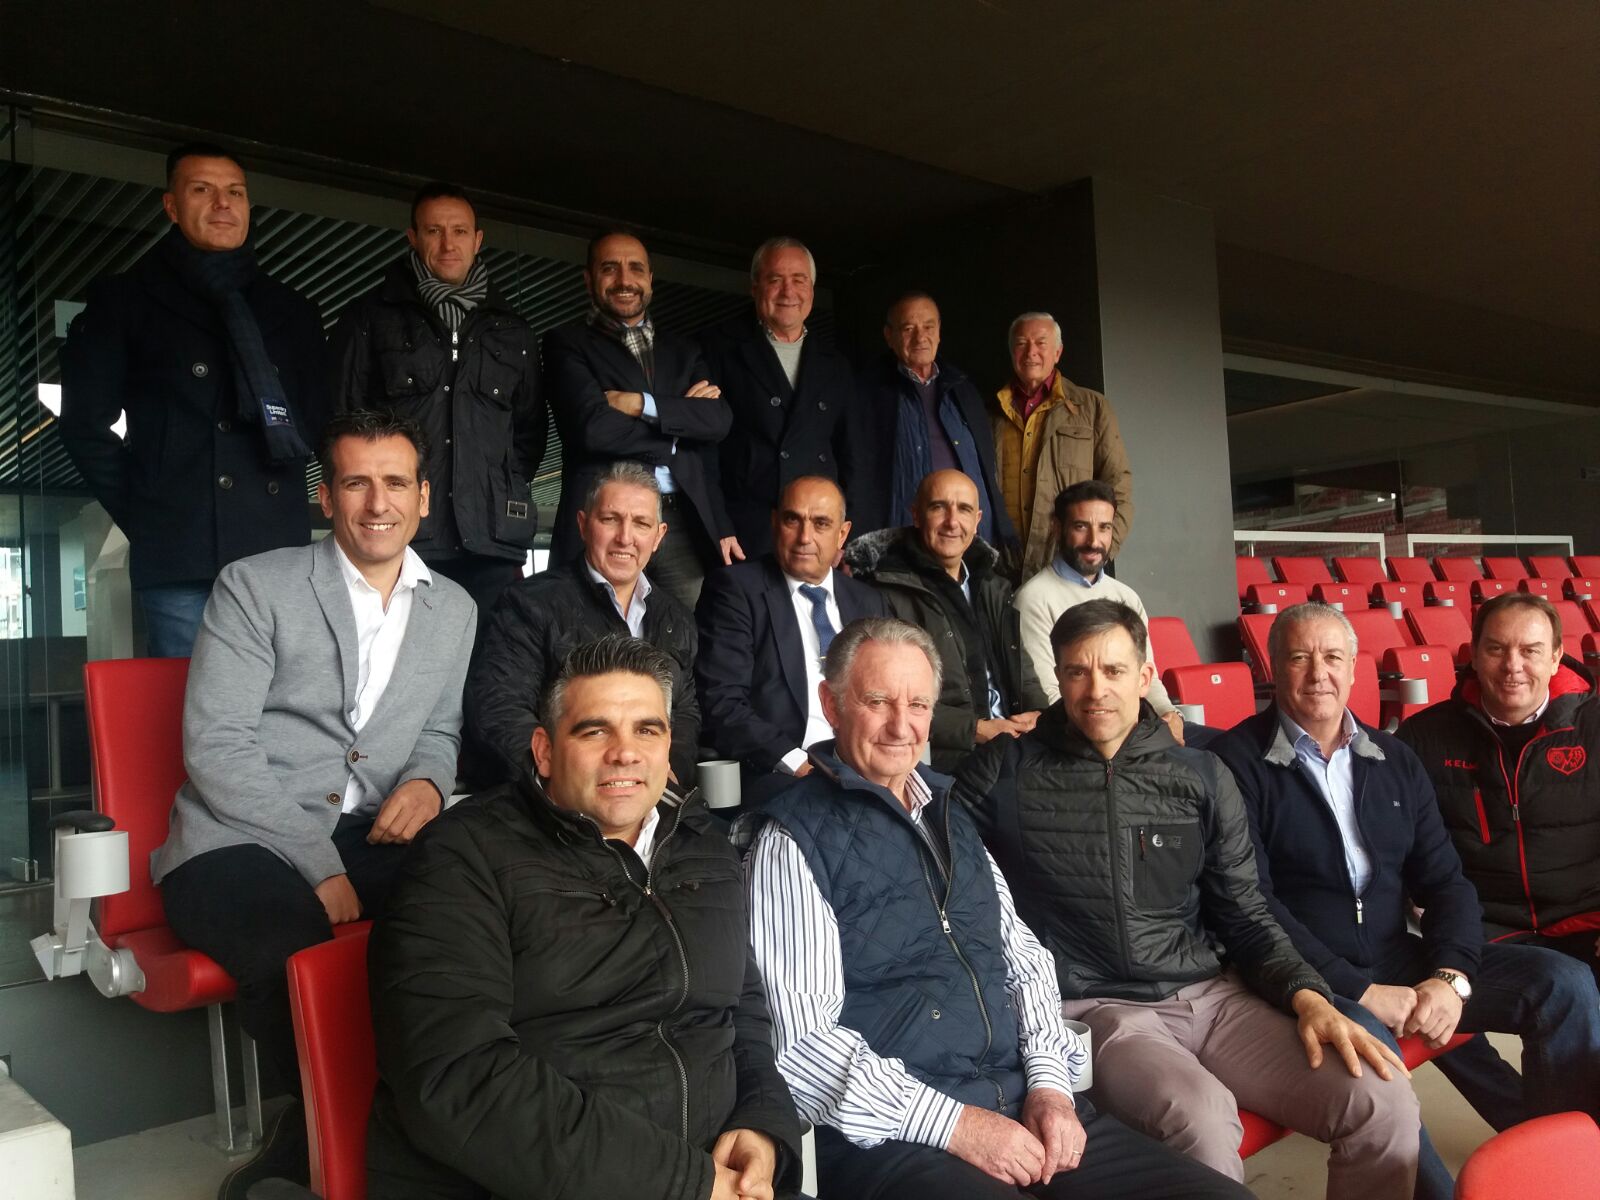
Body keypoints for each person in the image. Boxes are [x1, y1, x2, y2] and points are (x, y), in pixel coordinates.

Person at [740, 616, 1252, 1200]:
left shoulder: (950, 812)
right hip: (892, 1139)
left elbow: (1024, 963)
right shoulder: (790, 842)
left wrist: (1051, 1089)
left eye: (918, 704)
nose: (901, 725)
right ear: (832, 705)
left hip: (1019, 1102)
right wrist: (956, 1125)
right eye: (877, 701)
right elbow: (803, 1047)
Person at [953, 599, 1417, 1198]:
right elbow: (944, 884)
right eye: (1077, 672)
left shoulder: (1200, 774)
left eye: (1114, 670)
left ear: (1144, 675)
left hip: (1213, 997)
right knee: (1202, 1119)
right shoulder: (1003, 773)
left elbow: (1245, 912)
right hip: (1098, 1009)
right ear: (1058, 678)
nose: (1096, 690)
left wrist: (1308, 996)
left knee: (1382, 1101)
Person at [152, 411, 475, 1197]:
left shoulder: (455, 608)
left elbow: (440, 729)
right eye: (356, 483)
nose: (377, 503)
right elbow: (217, 747)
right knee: (289, 949)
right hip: (236, 838)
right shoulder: (256, 585)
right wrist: (320, 864)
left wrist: (428, 783)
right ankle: (328, 1146)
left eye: (395, 482)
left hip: (373, 833)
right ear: (326, 498)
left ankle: (427, 1126)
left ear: (423, 497)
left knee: (476, 911)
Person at [368, 635, 803, 1199]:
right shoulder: (461, 856)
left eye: (647, 730)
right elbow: (457, 1077)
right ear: (544, 751)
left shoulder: (705, 846)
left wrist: (762, 1125)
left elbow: (740, 1009)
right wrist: (685, 1183)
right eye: (595, 731)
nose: (625, 753)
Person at [1212, 601, 1600, 1200]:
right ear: (1273, 668)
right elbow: (1253, 905)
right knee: (1375, 1049)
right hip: (1303, 975)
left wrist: (1450, 977)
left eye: (1333, 657)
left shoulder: (1390, 757)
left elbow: (1445, 880)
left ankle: (1559, 1168)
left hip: (1396, 956)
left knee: (1563, 985)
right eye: (1299, 657)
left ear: (1355, 668)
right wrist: (1360, 990)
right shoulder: (1233, 764)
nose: (1318, 673)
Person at [59, 142, 329, 657]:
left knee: (288, 700)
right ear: (172, 206)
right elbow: (84, 425)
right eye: (203, 190)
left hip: (279, 550)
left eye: (235, 192)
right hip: (181, 552)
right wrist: (149, 511)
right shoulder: (127, 298)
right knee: (186, 701)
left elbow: (319, 422)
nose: (223, 204)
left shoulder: (293, 310)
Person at [329, 181, 545, 623]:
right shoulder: (369, 318)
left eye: (460, 231)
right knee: (401, 661)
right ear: (413, 237)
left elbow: (528, 435)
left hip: (491, 542)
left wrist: (493, 489)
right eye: (434, 231)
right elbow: (340, 422)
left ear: (477, 239)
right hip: (402, 537)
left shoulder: (513, 330)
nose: (448, 244)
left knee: (492, 661)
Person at [1399, 592, 1600, 985]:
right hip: (1481, 930)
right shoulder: (1422, 739)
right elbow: (1392, 846)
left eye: (1530, 650)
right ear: (1474, 655)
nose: (1513, 665)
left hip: (1587, 920)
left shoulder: (1594, 726)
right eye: (1496, 649)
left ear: (1556, 657)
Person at [465, 461, 700, 787]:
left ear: (658, 536)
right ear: (583, 525)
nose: (625, 538)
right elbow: (498, 710)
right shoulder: (528, 604)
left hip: (648, 793)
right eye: (610, 519)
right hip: (557, 799)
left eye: (641, 523)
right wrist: (565, 783)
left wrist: (663, 775)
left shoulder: (677, 617)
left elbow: (685, 713)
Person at [545, 229, 736, 610]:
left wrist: (639, 404)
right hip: (605, 518)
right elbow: (593, 429)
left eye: (635, 268)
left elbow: (716, 420)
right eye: (610, 268)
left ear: (650, 279)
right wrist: (677, 430)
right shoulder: (566, 343)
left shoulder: (684, 350)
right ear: (588, 279)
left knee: (686, 635)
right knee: (595, 633)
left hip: (680, 522)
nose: (624, 280)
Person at [696, 476, 886, 793]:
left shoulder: (868, 601)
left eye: (821, 524)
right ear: (774, 523)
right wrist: (798, 764)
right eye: (792, 520)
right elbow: (721, 702)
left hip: (867, 766)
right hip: (786, 771)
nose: (804, 537)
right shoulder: (736, 590)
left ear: (842, 534)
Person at [842, 469, 1035, 771]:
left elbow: (1024, 671)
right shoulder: (885, 590)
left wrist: (1041, 715)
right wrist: (975, 729)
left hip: (1015, 742)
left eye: (964, 509)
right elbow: (888, 696)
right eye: (938, 507)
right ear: (917, 515)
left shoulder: (993, 586)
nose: (952, 522)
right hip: (947, 757)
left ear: (977, 520)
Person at [698, 236, 859, 556]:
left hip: (818, 532)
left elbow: (852, 454)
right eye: (775, 280)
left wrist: (847, 535)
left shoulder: (835, 364)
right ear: (755, 287)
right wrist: (719, 525)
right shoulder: (718, 349)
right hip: (747, 531)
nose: (788, 292)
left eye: (799, 280)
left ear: (812, 290)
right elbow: (703, 452)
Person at [1013, 481, 1181, 740]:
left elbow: (1147, 677)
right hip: (1086, 735)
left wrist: (1171, 716)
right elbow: (1052, 696)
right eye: (1081, 527)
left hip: (1140, 729)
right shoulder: (1033, 598)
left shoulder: (1126, 596)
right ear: (1057, 528)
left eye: (1104, 528)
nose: (1094, 541)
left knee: (1223, 752)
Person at [853, 292, 1016, 557]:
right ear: (889, 336)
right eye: (908, 329)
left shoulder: (963, 389)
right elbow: (855, 473)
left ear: (939, 331)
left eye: (928, 327)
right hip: (902, 544)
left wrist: (1001, 529)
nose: (921, 337)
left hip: (971, 539)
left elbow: (986, 470)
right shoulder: (865, 393)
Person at [992, 312, 1132, 575]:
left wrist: (1099, 553)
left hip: (1069, 567)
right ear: (1012, 353)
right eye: (1021, 343)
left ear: (1058, 352)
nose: (1031, 352)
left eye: (1041, 343)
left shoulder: (1092, 408)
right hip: (1002, 569)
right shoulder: (991, 412)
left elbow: (1118, 485)